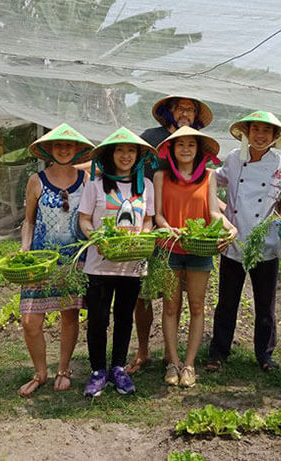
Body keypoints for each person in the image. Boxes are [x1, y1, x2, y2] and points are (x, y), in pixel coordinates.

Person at [127, 95, 214, 375]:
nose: (186, 113)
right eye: (180, 108)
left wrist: (221, 215)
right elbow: (124, 158)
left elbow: (205, 193)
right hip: (144, 221)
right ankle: (143, 350)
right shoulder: (151, 138)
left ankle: (172, 355)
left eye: (191, 109)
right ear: (169, 112)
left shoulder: (197, 148)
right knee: (148, 293)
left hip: (181, 232)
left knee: (185, 299)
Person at [207, 110, 281, 373]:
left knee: (265, 304)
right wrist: (216, 208)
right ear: (246, 133)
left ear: (275, 136)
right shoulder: (234, 158)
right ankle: (218, 353)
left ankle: (264, 355)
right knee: (227, 302)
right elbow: (212, 178)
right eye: (255, 130)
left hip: (265, 243)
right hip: (234, 240)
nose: (260, 135)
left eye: (266, 131)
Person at [154, 126, 237, 388]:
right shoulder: (160, 176)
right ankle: (172, 362)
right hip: (169, 249)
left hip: (200, 251)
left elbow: (212, 212)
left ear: (198, 150)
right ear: (172, 150)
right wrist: (169, 229)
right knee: (170, 306)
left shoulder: (209, 177)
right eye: (180, 145)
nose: (186, 149)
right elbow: (158, 215)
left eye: (191, 145)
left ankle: (189, 365)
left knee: (197, 307)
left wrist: (229, 226)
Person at [78, 127, 156, 397]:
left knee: (125, 317)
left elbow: (147, 220)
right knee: (98, 318)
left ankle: (119, 368)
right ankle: (98, 370)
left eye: (131, 150)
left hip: (132, 265)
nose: (125, 155)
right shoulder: (96, 185)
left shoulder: (146, 186)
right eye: (120, 150)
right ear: (111, 155)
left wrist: (142, 239)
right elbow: (84, 219)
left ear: (138, 155)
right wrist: (96, 237)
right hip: (99, 263)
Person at [18, 123, 94, 397]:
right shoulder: (36, 181)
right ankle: (40, 372)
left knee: (69, 315)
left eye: (69, 145)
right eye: (58, 145)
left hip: (73, 261)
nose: (63, 149)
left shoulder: (86, 181)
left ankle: (63, 368)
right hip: (41, 262)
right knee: (30, 321)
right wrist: (25, 250)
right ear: (49, 150)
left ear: (75, 150)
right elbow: (28, 221)